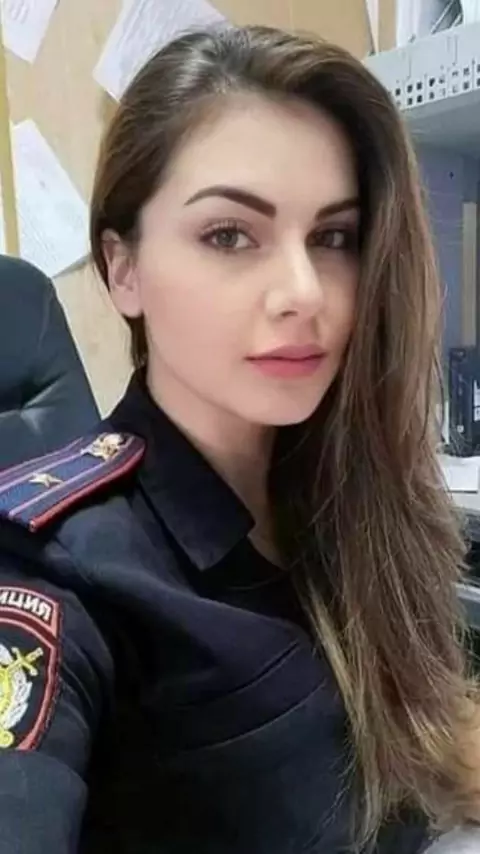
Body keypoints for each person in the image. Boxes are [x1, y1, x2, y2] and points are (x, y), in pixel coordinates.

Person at [0, 24, 478, 854]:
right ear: (123, 268)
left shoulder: (354, 495)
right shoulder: (56, 571)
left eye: (333, 237)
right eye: (229, 235)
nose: (304, 291)